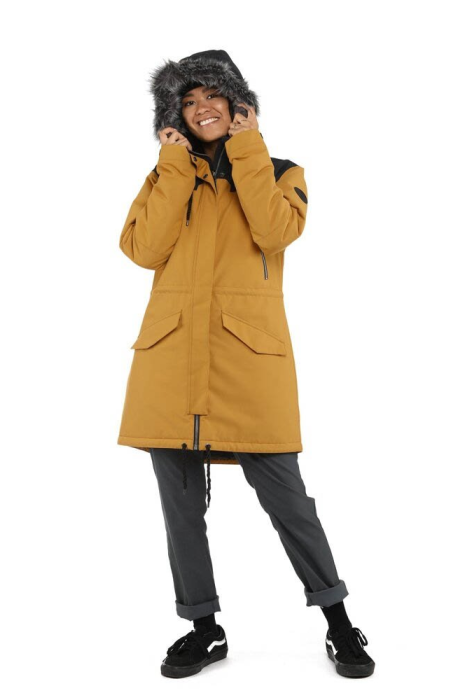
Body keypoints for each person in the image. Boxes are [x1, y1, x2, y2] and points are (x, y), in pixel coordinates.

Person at [117, 49, 375, 679]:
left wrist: (248, 148)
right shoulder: (165, 177)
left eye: (213, 95)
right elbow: (143, 249)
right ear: (173, 116)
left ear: (238, 103)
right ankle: (204, 630)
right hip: (172, 362)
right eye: (188, 101)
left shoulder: (279, 171)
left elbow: (275, 231)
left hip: (249, 363)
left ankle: (339, 623)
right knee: (180, 512)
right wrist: (173, 164)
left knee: (290, 503)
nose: (202, 107)